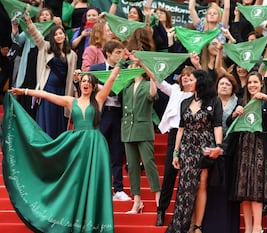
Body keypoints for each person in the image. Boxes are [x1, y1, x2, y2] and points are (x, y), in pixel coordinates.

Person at [5, 48, 131, 233]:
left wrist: (120, 62)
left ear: (94, 85)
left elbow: (111, 79)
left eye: (89, 82)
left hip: (96, 146)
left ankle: (94, 225)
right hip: (77, 147)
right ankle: (74, 221)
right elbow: (47, 95)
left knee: (95, 183)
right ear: (79, 84)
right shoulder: (71, 101)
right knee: (76, 184)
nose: (86, 84)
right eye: (84, 81)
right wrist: (24, 91)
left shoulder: (99, 99)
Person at [166, 69, 223, 233]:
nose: (188, 82)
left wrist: (218, 147)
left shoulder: (214, 100)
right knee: (185, 186)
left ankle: (197, 225)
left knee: (201, 185)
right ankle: (182, 224)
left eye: (191, 79)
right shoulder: (185, 102)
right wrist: (176, 152)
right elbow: (181, 129)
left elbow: (217, 125)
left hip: (205, 147)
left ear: (200, 81)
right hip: (187, 148)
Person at [227, 71, 267, 233]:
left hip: (261, 148)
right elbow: (230, 124)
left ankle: (258, 227)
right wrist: (234, 114)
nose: (252, 85)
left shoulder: (266, 101)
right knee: (244, 190)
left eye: (255, 82)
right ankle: (248, 228)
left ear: (261, 84)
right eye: (250, 82)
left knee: (256, 189)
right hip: (243, 148)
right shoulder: (241, 101)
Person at [24, 10, 77, 139]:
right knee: (47, 122)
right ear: (52, 37)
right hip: (48, 90)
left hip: (63, 92)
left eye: (61, 33)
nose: (59, 36)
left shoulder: (72, 55)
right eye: (56, 34)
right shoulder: (46, 47)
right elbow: (36, 36)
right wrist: (29, 22)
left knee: (60, 124)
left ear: (65, 35)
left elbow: (71, 77)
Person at [89, 40, 131, 201]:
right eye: (117, 53)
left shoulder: (126, 70)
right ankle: (99, 188)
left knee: (117, 152)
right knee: (99, 152)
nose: (120, 56)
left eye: (122, 52)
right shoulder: (95, 69)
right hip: (101, 113)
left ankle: (118, 189)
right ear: (108, 53)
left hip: (119, 113)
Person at [155, 66, 195, 226]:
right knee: (170, 173)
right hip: (174, 134)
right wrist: (144, 64)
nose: (185, 78)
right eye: (183, 75)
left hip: (191, 135)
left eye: (189, 76)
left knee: (187, 176)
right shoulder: (175, 90)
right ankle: (161, 210)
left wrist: (197, 65)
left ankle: (182, 213)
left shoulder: (198, 95)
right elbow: (158, 82)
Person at [121, 54, 161, 214]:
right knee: (132, 167)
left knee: (149, 163)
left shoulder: (146, 83)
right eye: (131, 65)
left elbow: (153, 91)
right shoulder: (127, 86)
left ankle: (158, 198)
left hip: (143, 130)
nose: (133, 67)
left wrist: (142, 64)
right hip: (128, 130)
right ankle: (137, 201)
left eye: (135, 65)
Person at [202, 75, 240, 233]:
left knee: (227, 191)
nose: (224, 86)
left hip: (231, 151)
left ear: (233, 88)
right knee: (211, 189)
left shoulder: (238, 104)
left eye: (228, 84)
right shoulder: (209, 102)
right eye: (221, 83)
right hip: (211, 151)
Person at [11, 8, 61, 119]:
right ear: (38, 18)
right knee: (26, 95)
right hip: (29, 65)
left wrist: (60, 25)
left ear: (52, 18)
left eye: (47, 15)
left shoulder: (54, 31)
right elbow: (18, 40)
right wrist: (14, 27)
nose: (44, 17)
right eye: (42, 15)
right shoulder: (32, 28)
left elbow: (61, 44)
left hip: (44, 67)